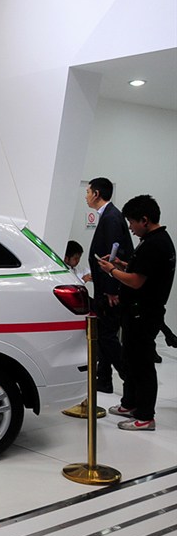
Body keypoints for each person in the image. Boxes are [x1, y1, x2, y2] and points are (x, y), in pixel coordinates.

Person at [97, 194, 175, 431]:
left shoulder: (155, 244)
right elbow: (141, 271)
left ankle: (145, 416)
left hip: (144, 313)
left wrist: (111, 271)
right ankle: (130, 403)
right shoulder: (154, 240)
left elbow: (136, 281)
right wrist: (122, 265)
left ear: (145, 219)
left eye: (132, 222)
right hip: (137, 312)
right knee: (130, 359)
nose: (130, 228)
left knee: (142, 364)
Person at [86, 177, 133, 394]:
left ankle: (129, 376)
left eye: (88, 192)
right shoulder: (108, 215)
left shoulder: (111, 217)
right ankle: (104, 379)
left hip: (110, 289)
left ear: (96, 194)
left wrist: (112, 289)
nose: (86, 196)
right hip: (105, 286)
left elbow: (114, 255)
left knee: (107, 335)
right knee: (105, 333)